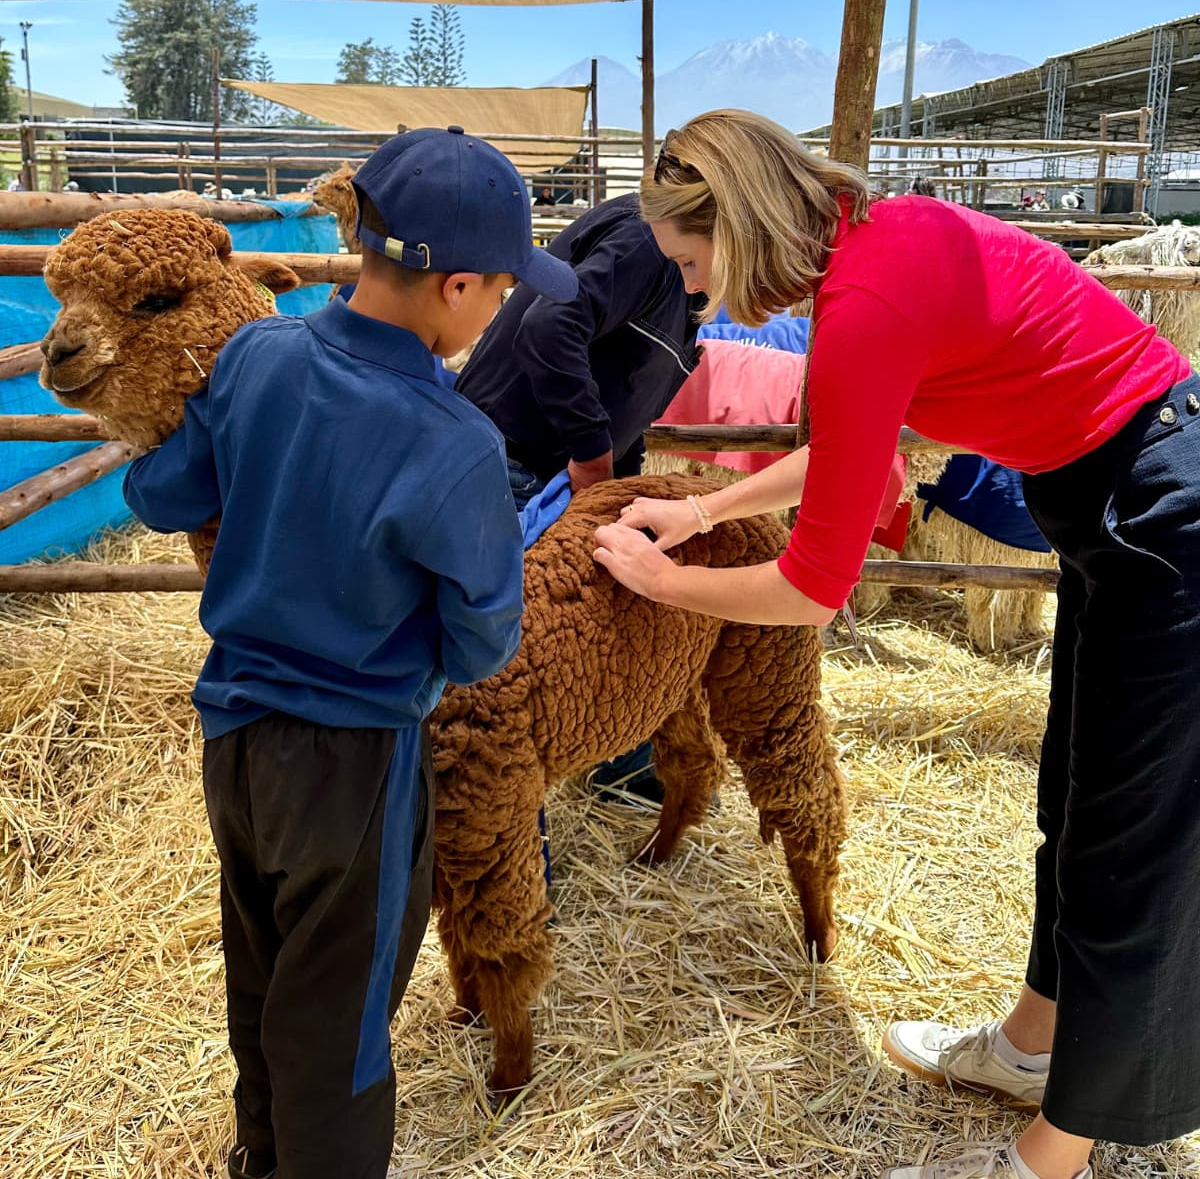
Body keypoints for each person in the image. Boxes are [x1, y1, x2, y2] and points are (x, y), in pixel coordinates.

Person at [592, 108, 1199, 1179]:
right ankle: (1030, 1046)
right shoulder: (877, 246)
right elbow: (852, 458)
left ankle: (1048, 1159)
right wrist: (693, 517)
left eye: (692, 261)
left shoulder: (864, 301)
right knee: (1077, 797)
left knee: (1133, 841)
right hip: (1121, 503)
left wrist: (667, 582)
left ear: (734, 225)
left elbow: (814, 587)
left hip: (1168, 513)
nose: (693, 291)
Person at [123, 126, 578, 1179]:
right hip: (355, 766)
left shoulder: (256, 356)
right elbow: (481, 639)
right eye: (505, 288)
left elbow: (160, 496)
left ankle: (262, 1155)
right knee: (342, 1015)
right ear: (457, 287)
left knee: (265, 973)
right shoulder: (453, 440)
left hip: (233, 741)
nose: (503, 307)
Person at [456, 190, 707, 802]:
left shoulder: (684, 273)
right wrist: (593, 455)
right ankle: (498, 813)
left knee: (610, 607)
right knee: (494, 666)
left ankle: (621, 759)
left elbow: (624, 387)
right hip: (517, 465)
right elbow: (550, 326)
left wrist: (626, 485)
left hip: (552, 467)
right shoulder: (653, 239)